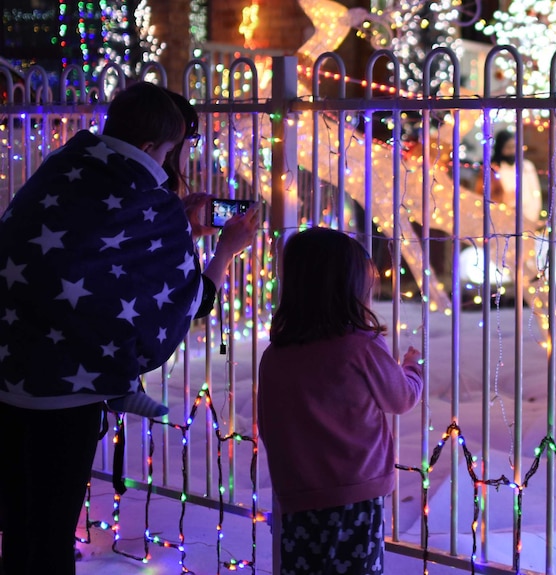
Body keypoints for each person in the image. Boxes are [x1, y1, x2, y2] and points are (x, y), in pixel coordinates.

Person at [0, 82, 256, 575]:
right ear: (147, 149)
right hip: (66, 394)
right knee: (51, 534)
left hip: (11, 373)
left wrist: (170, 223)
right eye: (167, 153)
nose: (167, 165)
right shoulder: (145, 197)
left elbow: (79, 253)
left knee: (20, 523)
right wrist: (225, 251)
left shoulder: (64, 167)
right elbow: (182, 301)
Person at [258, 227, 423, 574]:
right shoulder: (361, 346)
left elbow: (270, 424)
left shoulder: (276, 354)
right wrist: (412, 367)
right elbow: (402, 397)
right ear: (349, 286)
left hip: (296, 495)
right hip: (355, 494)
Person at [479, 129, 543, 225]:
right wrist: (504, 199)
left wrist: (532, 218)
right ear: (500, 148)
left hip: (528, 217)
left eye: (514, 147)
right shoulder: (493, 169)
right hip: (502, 219)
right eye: (508, 148)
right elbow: (485, 196)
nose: (512, 151)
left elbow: (535, 194)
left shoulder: (527, 166)